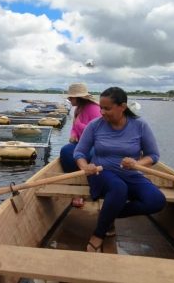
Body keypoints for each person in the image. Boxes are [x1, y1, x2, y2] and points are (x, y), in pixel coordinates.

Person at [73, 87, 166, 253]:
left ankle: (108, 216)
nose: (102, 112)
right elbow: (79, 152)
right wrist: (85, 166)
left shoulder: (140, 125)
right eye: (101, 107)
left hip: (130, 174)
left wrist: (138, 163)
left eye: (107, 108)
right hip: (101, 173)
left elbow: (153, 155)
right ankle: (98, 234)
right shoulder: (95, 126)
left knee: (156, 201)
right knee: (118, 188)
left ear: (122, 106)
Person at [59, 82, 101, 207]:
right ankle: (75, 187)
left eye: (71, 97)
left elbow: (97, 133)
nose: (69, 99)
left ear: (78, 98)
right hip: (81, 143)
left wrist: (78, 125)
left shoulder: (94, 109)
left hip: (95, 145)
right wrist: (73, 135)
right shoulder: (78, 109)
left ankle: (94, 188)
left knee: (93, 156)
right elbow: (74, 128)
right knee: (65, 151)